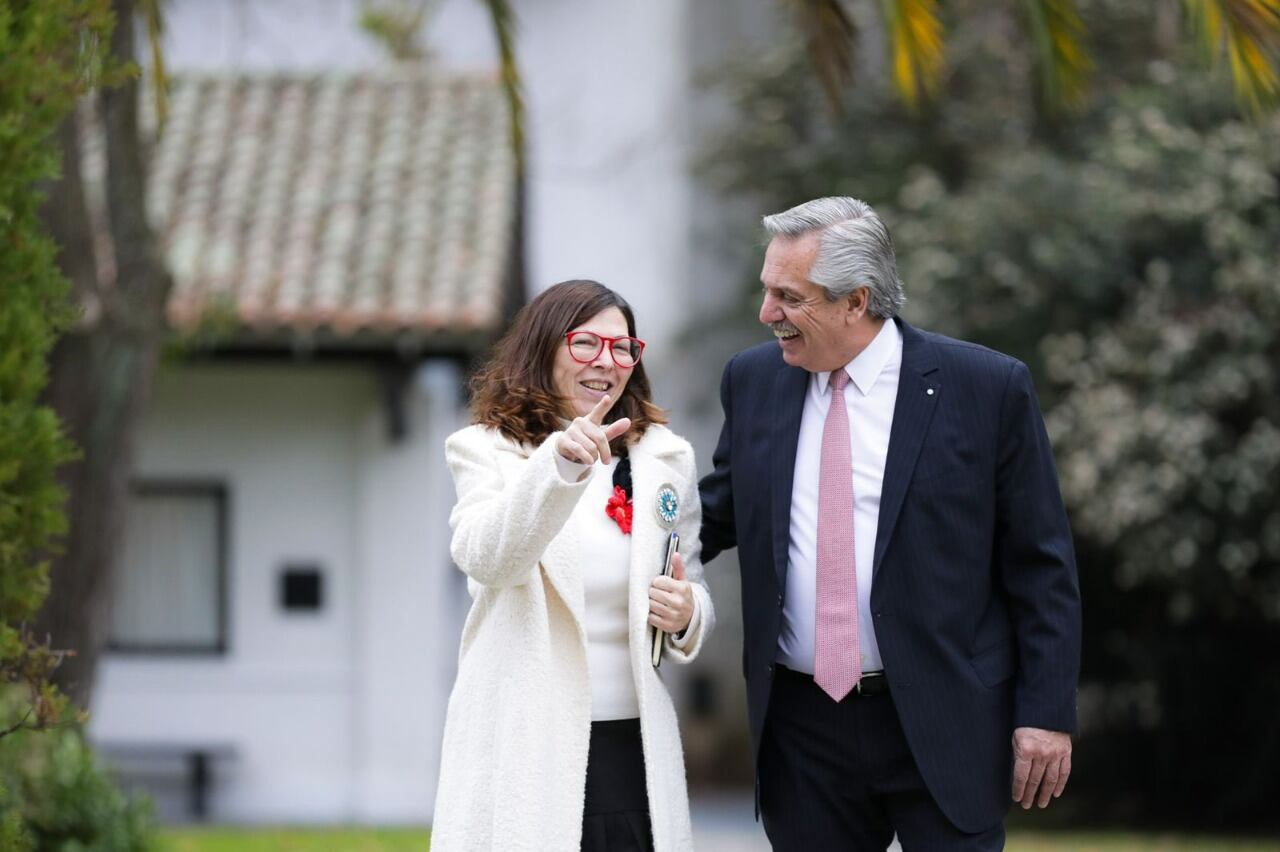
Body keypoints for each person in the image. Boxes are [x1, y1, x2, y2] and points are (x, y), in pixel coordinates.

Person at [698, 197, 1081, 850]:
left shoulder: (986, 389)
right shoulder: (754, 381)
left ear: (857, 301)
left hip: (947, 719)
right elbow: (715, 515)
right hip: (802, 733)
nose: (767, 316)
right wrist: (596, 523)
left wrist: (1045, 714)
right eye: (767, 291)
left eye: (789, 297)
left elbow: (1040, 566)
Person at [431, 279, 714, 852]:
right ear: (544, 348)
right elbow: (488, 560)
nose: (605, 363)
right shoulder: (487, 449)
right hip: (525, 743)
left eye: (622, 348)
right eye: (586, 344)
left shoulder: (664, 458)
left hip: (632, 748)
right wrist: (556, 465)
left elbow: (694, 581)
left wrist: (688, 613)